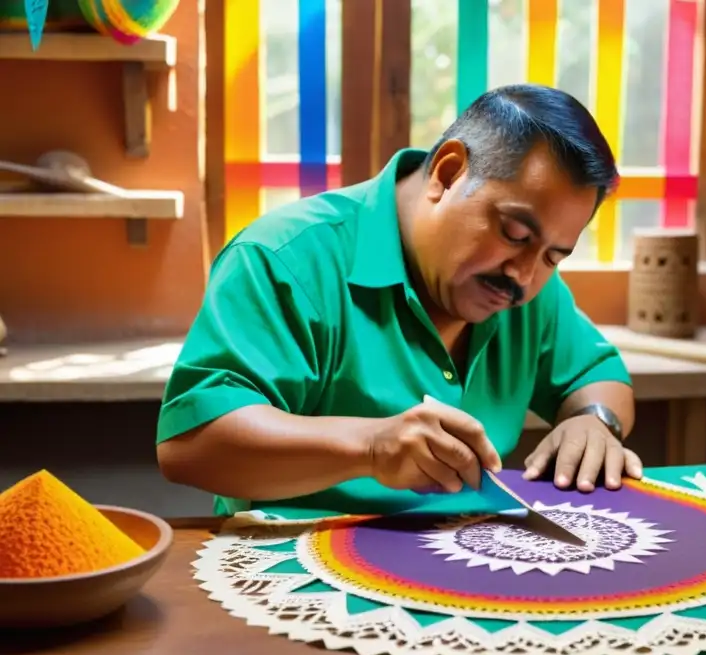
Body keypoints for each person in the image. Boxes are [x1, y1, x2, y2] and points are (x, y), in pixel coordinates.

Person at [156, 84, 642, 519]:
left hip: (463, 566)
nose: (525, 275)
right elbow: (192, 445)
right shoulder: (287, 261)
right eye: (514, 233)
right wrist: (369, 447)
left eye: (555, 256)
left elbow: (597, 375)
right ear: (448, 174)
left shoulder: (526, 284)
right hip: (293, 573)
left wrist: (595, 422)